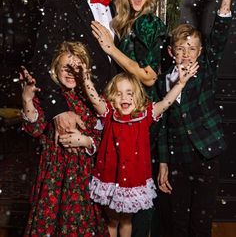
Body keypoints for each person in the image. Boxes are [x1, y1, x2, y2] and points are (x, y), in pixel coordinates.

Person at [58, 64, 198, 237]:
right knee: (112, 221)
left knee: (126, 221)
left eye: (129, 93)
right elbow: (95, 99)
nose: (125, 98)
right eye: (119, 94)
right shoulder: (109, 114)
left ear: (137, 97)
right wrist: (86, 79)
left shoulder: (146, 115)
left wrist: (181, 84)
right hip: (110, 178)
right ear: (112, 98)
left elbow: (166, 102)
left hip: (134, 180)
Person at [157, 0, 236, 237]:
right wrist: (164, 163)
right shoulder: (162, 81)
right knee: (176, 223)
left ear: (200, 52)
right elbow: (163, 127)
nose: (187, 54)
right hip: (178, 161)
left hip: (206, 158)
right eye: (181, 48)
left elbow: (219, 35)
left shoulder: (206, 72)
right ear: (171, 53)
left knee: (200, 224)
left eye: (192, 48)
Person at [91, 0, 167, 236]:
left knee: (136, 202)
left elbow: (148, 77)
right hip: (126, 118)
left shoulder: (148, 23)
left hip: (141, 121)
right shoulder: (127, 22)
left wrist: (111, 48)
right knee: (123, 200)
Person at [20, 41, 109, 237]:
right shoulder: (51, 98)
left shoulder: (92, 98)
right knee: (50, 222)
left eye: (75, 69)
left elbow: (106, 138)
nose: (70, 73)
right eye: (64, 68)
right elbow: (35, 129)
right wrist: (27, 99)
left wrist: (86, 141)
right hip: (54, 174)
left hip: (84, 176)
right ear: (54, 70)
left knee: (82, 225)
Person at [31, 0, 118, 127]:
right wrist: (59, 110)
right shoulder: (60, 6)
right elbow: (42, 62)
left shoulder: (119, 9)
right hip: (79, 115)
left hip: (116, 114)